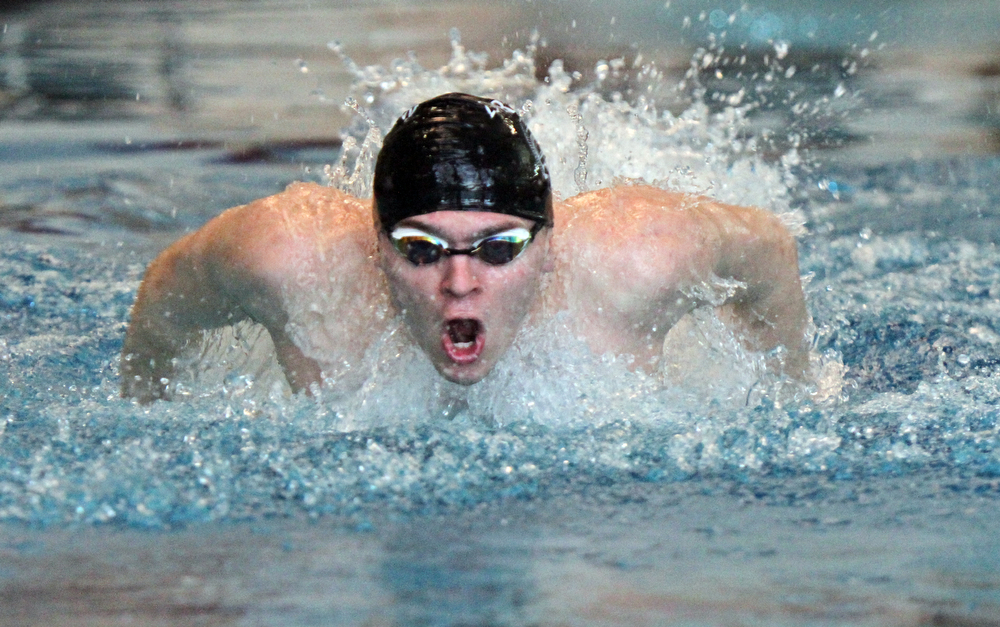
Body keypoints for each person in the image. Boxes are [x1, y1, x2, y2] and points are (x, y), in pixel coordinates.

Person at [121, 92, 809, 403]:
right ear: (375, 241)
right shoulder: (283, 257)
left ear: (549, 242)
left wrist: (790, 393)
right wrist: (144, 409)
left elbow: (771, 251)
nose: (459, 281)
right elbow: (164, 295)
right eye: (421, 248)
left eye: (499, 247)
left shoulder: (643, 256)